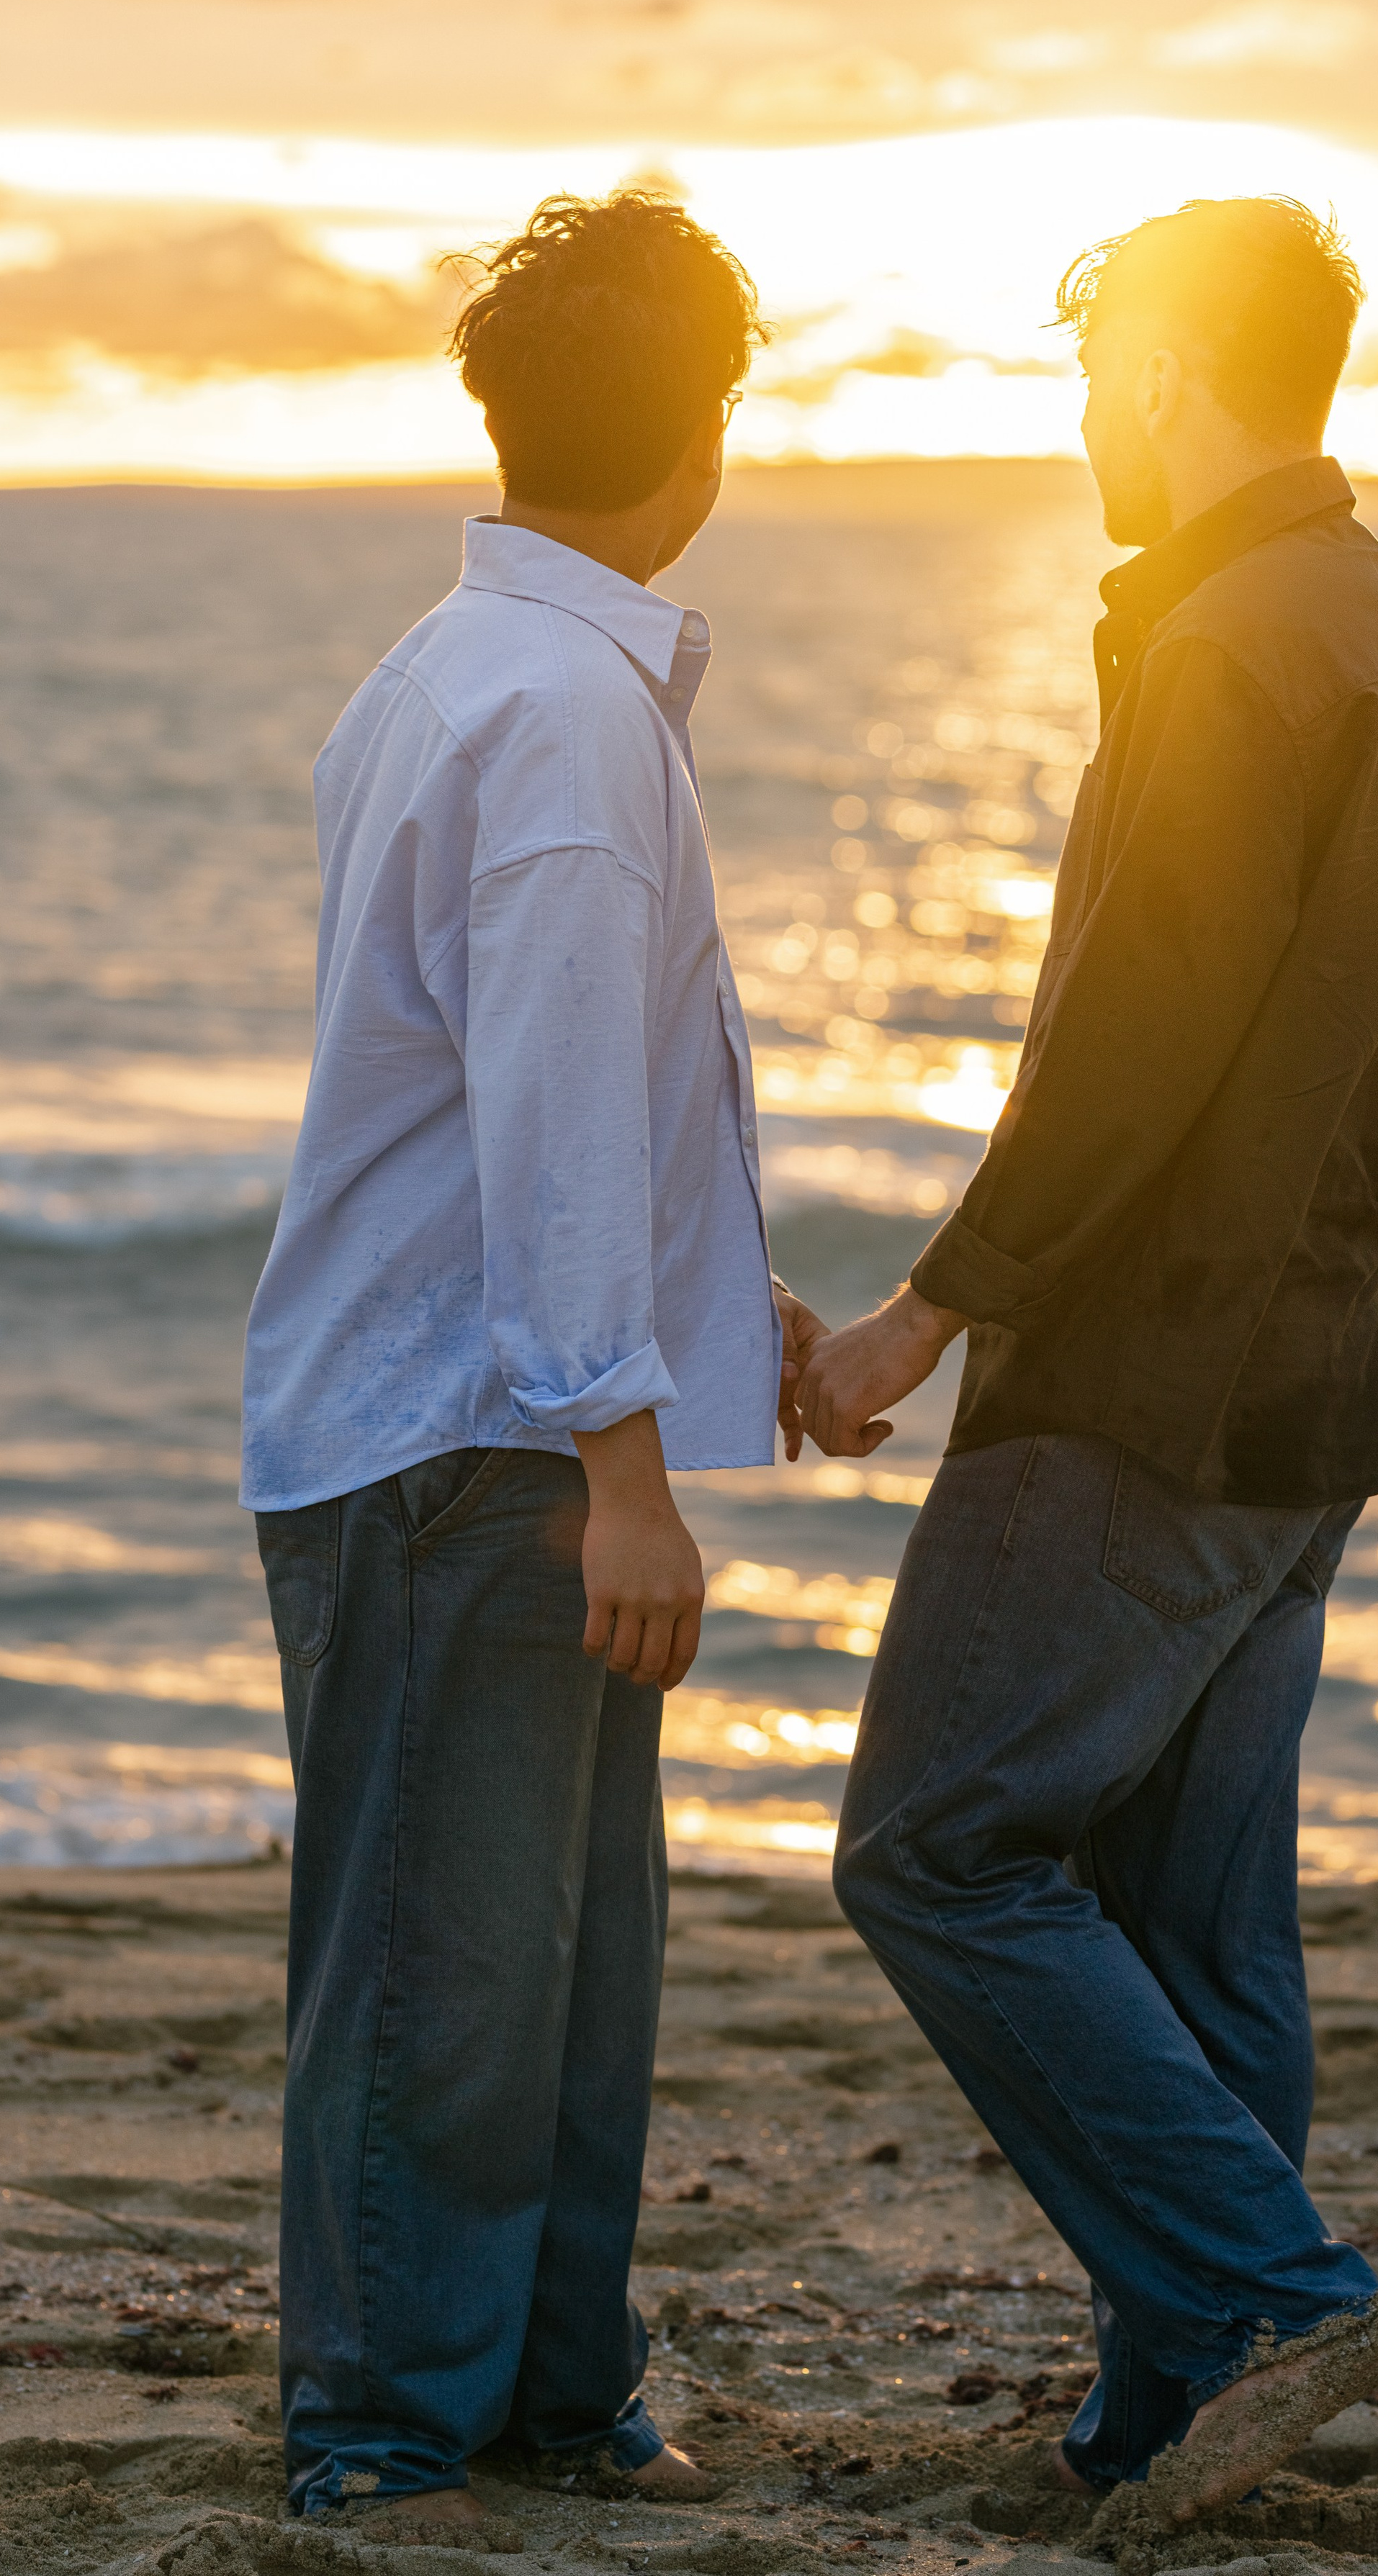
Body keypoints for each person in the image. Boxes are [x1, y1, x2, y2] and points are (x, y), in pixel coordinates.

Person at [794, 196, 1378, 2522]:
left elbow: (1132, 1050)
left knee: (933, 1851)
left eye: (1101, 373)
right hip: (1306, 1389)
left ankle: (1271, 2302)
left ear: (1175, 369)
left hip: (1151, 1391)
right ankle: (1178, 2417)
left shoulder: (1233, 645)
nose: (1090, 414)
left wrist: (923, 1310)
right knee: (1197, 1930)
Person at [240, 191, 824, 2534]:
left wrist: (721, 1323)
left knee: (569, 1963)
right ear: (706, 434)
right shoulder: (565, 715)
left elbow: (549, 1096)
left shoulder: (453, 673)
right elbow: (553, 1105)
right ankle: (387, 2439)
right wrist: (628, 1465)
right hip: (468, 1440)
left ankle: (558, 2396)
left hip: (490, 1417)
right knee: (443, 1974)